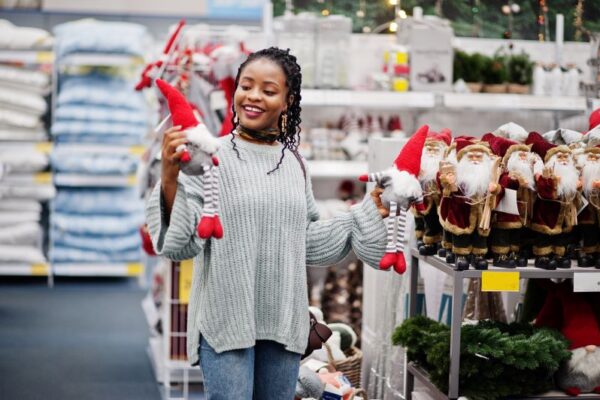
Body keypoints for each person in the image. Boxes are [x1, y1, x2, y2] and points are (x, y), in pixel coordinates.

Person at [145, 47, 389, 399]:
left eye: (268, 90)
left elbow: (307, 242)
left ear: (288, 100)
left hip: (283, 322)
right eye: (246, 85)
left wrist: (365, 211)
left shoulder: (294, 164)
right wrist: (169, 176)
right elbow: (180, 244)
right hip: (225, 321)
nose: (253, 96)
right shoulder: (211, 158)